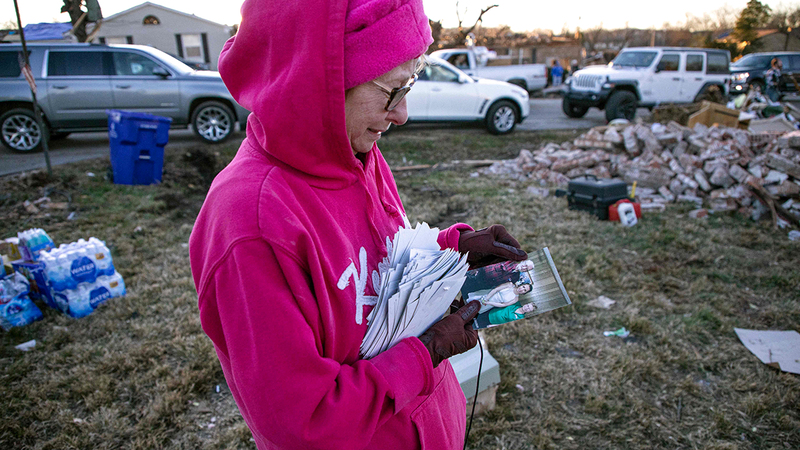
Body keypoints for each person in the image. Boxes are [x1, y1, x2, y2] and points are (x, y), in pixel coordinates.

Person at [188, 0, 528, 448]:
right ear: (320, 84)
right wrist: (424, 355)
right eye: (393, 89)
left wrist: (454, 248)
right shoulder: (250, 224)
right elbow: (302, 423)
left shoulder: (354, 153)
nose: (402, 114)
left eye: (412, 82)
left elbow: (379, 263)